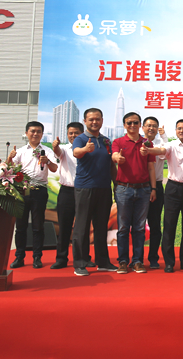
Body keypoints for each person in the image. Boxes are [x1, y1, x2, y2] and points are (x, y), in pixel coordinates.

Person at [71, 108, 118, 276]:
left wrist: (116, 184)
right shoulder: (80, 139)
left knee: (101, 226)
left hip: (104, 188)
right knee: (82, 227)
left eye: (97, 119)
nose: (94, 122)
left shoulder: (106, 141)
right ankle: (80, 263)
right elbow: (76, 153)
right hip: (85, 188)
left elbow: (111, 164)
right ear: (85, 121)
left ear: (102, 120)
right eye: (91, 119)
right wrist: (85, 149)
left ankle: (103, 261)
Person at [8, 121, 59, 269]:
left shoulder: (47, 151)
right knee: (21, 226)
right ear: (26, 133)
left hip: (39, 191)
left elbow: (54, 168)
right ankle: (19, 257)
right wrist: (10, 158)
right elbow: (9, 169)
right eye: (32, 131)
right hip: (22, 191)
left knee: (38, 226)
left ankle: (37, 257)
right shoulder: (20, 151)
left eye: (38, 131)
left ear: (42, 134)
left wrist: (47, 161)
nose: (35, 134)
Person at [111, 112, 157, 274]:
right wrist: (118, 158)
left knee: (139, 228)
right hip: (124, 189)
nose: (132, 125)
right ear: (124, 125)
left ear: (140, 125)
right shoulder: (118, 142)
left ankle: (137, 261)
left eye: (135, 122)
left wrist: (153, 189)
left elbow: (151, 168)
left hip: (144, 189)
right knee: (123, 227)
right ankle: (123, 261)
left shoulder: (147, 143)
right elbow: (114, 155)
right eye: (129, 123)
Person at [158, 119, 183, 273]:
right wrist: (148, 150)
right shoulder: (171, 146)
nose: (182, 131)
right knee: (169, 226)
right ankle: (169, 262)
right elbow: (161, 151)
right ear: (175, 131)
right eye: (179, 128)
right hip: (173, 189)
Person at [50, 122, 87, 270]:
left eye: (76, 133)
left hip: (84, 191)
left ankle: (84, 257)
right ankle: (61, 258)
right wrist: (55, 146)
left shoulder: (87, 149)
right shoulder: (64, 149)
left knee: (83, 227)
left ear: (82, 134)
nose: (73, 135)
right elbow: (58, 152)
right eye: (70, 133)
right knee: (64, 226)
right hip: (67, 191)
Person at [142, 117, 167, 269]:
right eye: (148, 125)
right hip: (138, 186)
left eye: (154, 126)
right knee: (137, 225)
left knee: (155, 224)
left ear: (157, 129)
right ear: (143, 127)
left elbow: (163, 153)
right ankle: (137, 258)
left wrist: (164, 136)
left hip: (156, 186)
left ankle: (153, 258)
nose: (151, 128)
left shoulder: (161, 143)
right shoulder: (137, 142)